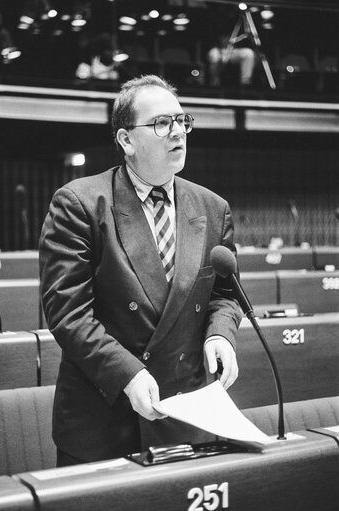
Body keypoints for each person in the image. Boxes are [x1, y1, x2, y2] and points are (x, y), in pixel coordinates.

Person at [39, 74, 242, 467]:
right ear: (126, 140)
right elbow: (68, 315)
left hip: (186, 416)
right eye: (161, 123)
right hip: (105, 417)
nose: (177, 132)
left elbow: (224, 294)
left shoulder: (213, 208)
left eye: (182, 121)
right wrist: (127, 373)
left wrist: (221, 335)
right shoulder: (81, 204)